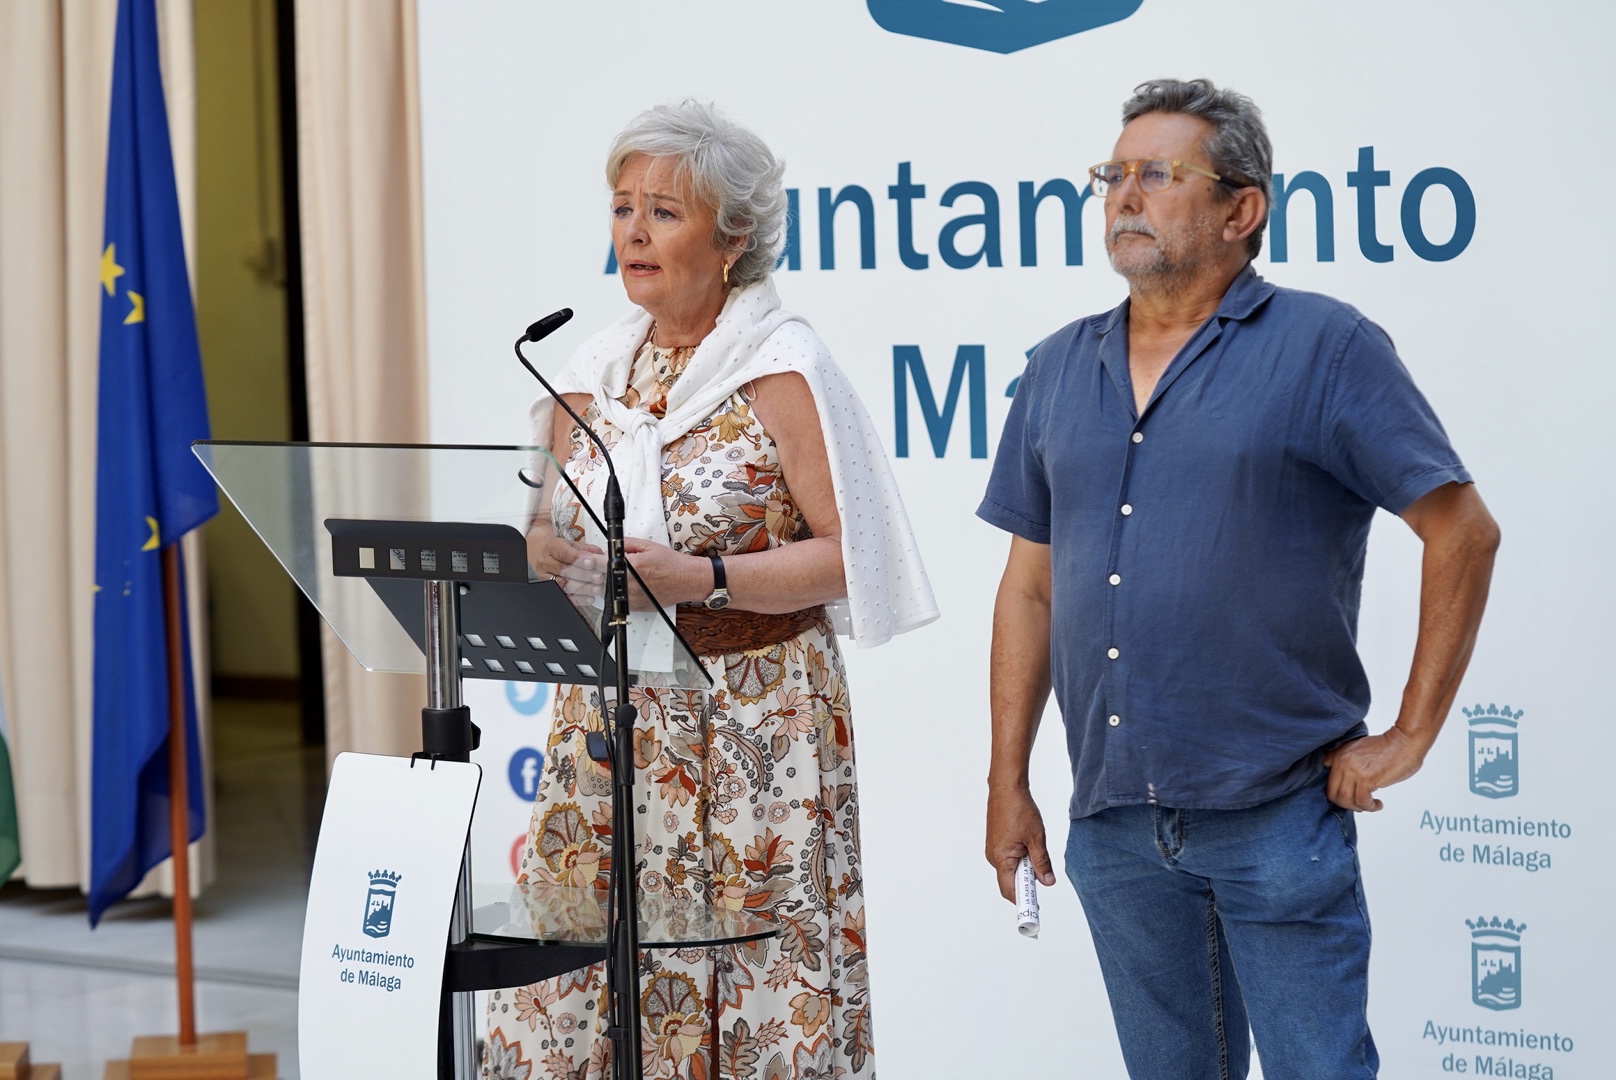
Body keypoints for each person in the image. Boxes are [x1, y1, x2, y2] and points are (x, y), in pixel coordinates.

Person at [978, 78, 1500, 1079]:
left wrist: (1410, 734)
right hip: (1114, 822)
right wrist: (1007, 783)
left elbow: (1461, 532)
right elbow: (1029, 590)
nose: (1124, 195)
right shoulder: (1053, 367)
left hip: (1276, 814)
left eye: (1156, 175)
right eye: (1112, 175)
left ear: (1239, 209)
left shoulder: (1325, 348)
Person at [484, 101, 937, 1080]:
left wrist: (701, 577)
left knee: (756, 988)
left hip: (753, 726)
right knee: (581, 984)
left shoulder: (783, 371)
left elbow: (850, 557)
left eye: (663, 212)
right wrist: (549, 559)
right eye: (622, 208)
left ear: (732, 238)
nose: (634, 233)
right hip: (607, 725)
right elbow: (537, 536)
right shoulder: (586, 374)